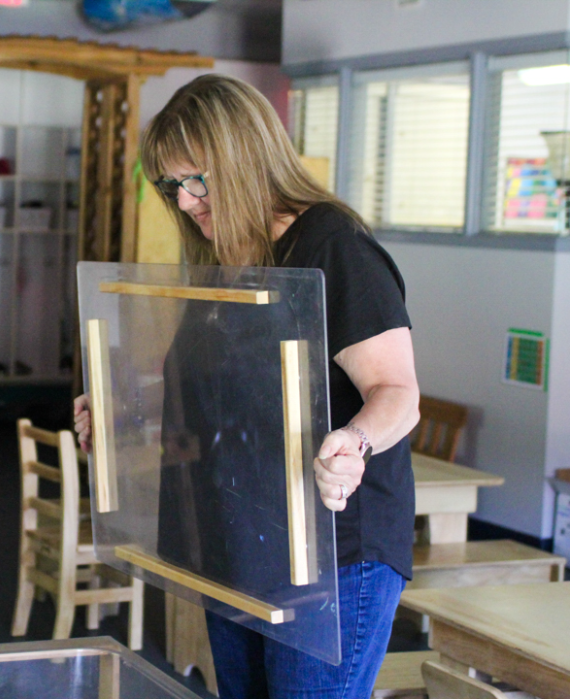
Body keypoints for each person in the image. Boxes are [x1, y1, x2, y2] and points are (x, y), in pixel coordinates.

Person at [73, 74, 420, 699]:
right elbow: (220, 386)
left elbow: (397, 392)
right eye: (170, 186)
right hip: (241, 540)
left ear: (244, 156)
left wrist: (354, 445)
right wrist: (122, 406)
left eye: (195, 180)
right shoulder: (225, 258)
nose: (183, 202)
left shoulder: (332, 246)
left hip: (333, 552)